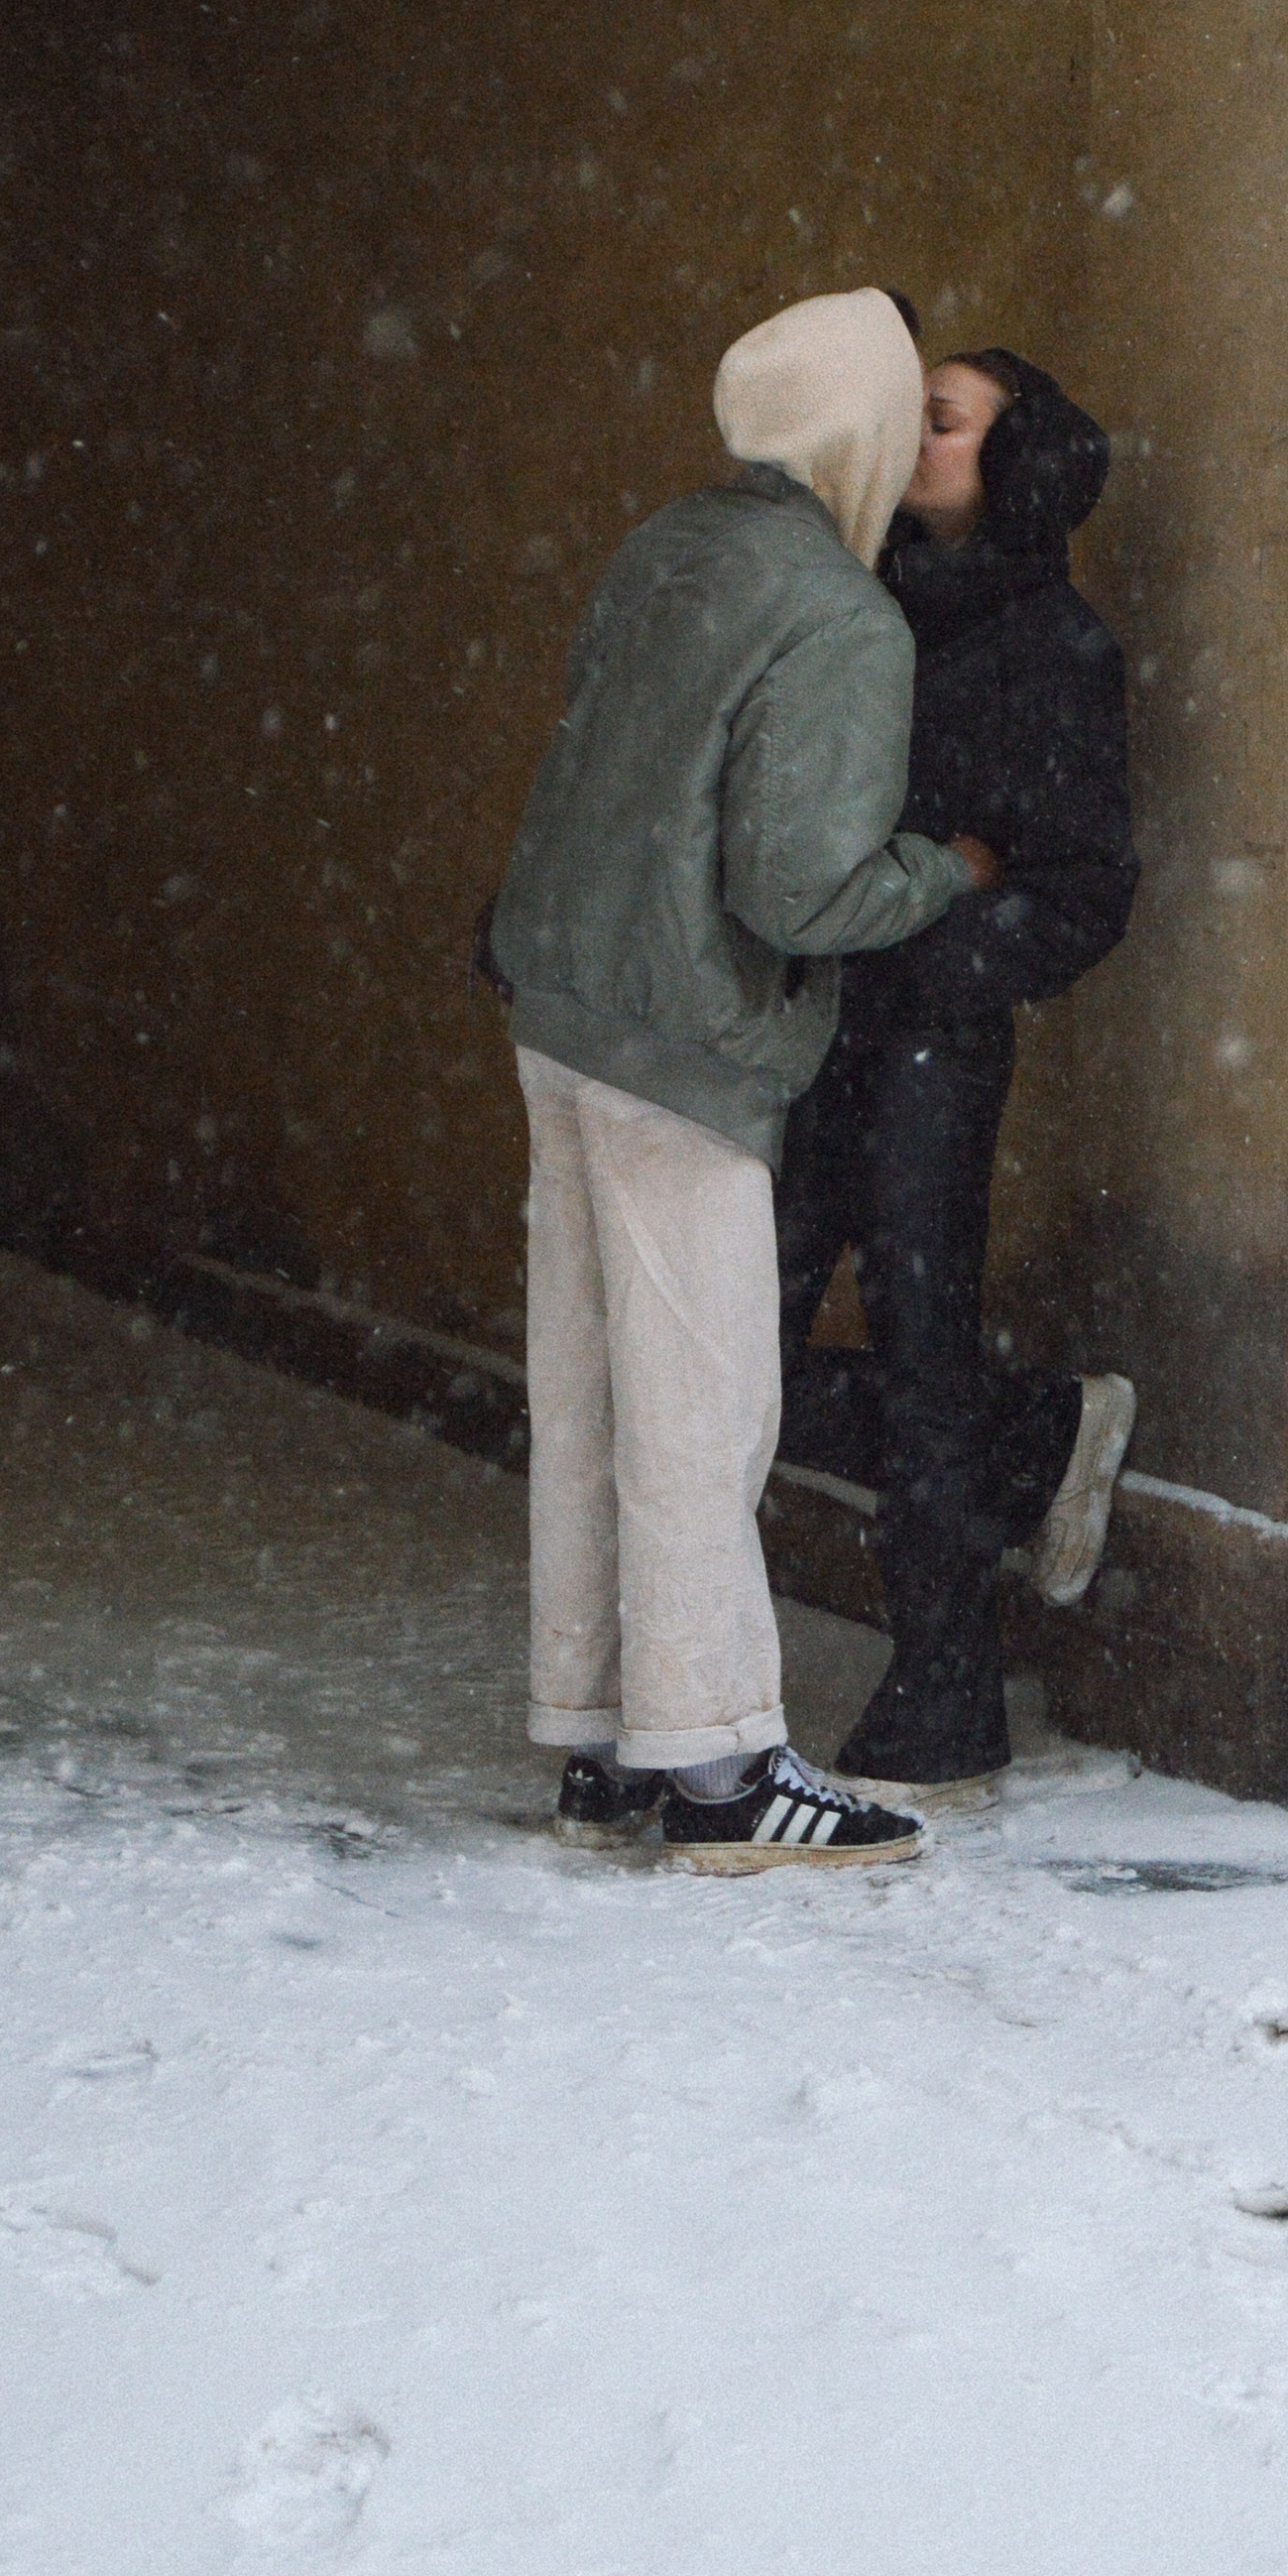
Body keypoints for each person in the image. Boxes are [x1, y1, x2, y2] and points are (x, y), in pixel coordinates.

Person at [483, 288, 1001, 1874]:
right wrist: (949, 868)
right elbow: (801, 891)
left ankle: (602, 1738)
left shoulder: (666, 547)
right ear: (862, 431)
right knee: (701, 1410)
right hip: (683, 1037)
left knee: (589, 1386)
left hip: (562, 999)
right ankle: (718, 1767)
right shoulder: (843, 617)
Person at [774, 343, 1139, 1794]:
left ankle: (946, 1693)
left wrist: (942, 950)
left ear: (1015, 457)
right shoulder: (849, 602)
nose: (911, 438)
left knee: (922, 1347)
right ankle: (1037, 1432)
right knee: (741, 1345)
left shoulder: (1058, 645)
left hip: (929, 1038)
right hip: (808, 1020)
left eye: (940, 420)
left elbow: (1086, 889)